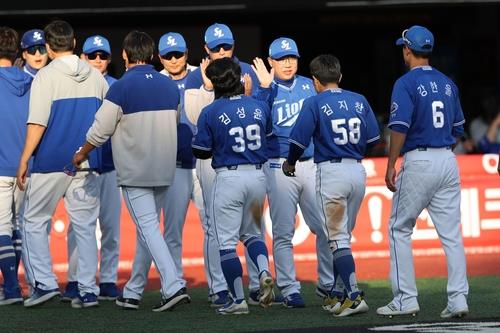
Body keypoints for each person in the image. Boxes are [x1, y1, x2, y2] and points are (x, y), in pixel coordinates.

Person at [72, 30, 190, 312]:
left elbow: (100, 131)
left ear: (124, 56)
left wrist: (81, 152)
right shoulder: (169, 86)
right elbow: (174, 121)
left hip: (136, 170)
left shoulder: (121, 87)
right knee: (146, 231)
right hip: (164, 168)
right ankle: (134, 291)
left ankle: (173, 284)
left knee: (148, 229)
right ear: (151, 55)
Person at [376, 25, 469, 318]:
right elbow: (457, 130)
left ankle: (406, 298)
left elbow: (399, 128)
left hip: (419, 160)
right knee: (452, 235)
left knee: (398, 228)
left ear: (407, 49)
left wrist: (391, 164)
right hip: (447, 158)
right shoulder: (447, 83)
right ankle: (458, 299)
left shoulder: (405, 83)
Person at [16, 20, 108, 309]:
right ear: (75, 43)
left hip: (52, 161)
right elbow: (107, 119)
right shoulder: (96, 77)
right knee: (84, 225)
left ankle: (44, 283)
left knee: (32, 220)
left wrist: (24, 159)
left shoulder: (45, 76)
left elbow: (37, 122)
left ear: (47, 47)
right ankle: (88, 289)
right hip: (86, 161)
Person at [282, 54, 379, 316]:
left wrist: (290, 163)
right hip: (357, 170)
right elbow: (373, 139)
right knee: (343, 238)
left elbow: (299, 141)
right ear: (340, 76)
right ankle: (337, 293)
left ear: (315, 80)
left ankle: (354, 296)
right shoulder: (359, 100)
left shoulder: (314, 102)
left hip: (331, 171)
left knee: (337, 240)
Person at [184, 22, 267, 307]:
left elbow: (201, 141)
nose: (221, 51)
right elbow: (265, 129)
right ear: (206, 49)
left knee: (227, 234)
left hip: (226, 169)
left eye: (226, 46)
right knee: (241, 230)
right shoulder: (197, 76)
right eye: (216, 47)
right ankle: (245, 279)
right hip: (250, 170)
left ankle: (242, 294)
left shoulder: (220, 93)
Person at [251, 37, 334, 307]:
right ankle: (290, 289)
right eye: (281, 59)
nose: (288, 63)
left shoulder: (309, 86)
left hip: (309, 163)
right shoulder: (264, 88)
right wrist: (263, 89)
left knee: (323, 227)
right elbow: (258, 122)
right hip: (277, 164)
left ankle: (327, 283)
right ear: (271, 61)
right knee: (284, 231)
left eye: (292, 58)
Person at [62, 34, 122, 301]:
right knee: (78, 226)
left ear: (110, 58)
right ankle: (74, 279)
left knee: (110, 226)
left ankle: (108, 279)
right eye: (93, 55)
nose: (98, 60)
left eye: (103, 55)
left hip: (110, 165)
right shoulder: (72, 85)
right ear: (83, 57)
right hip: (84, 165)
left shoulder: (118, 86)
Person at [0, 26, 32, 306]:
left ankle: (10, 288)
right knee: (17, 225)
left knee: (1, 227)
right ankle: (13, 284)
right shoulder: (30, 80)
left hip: (0, 164)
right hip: (25, 165)